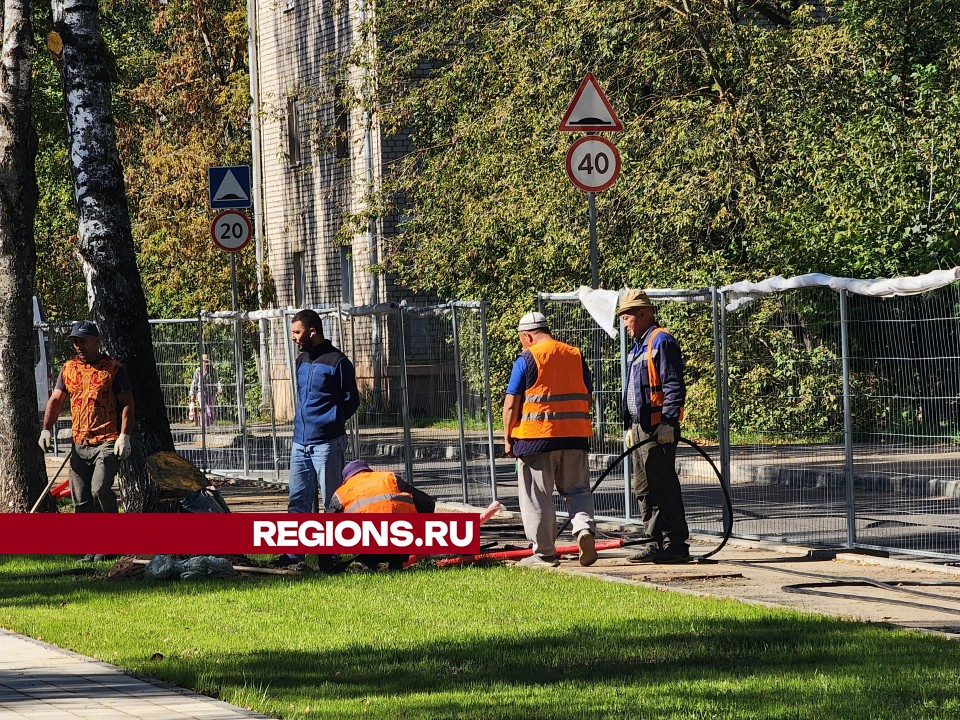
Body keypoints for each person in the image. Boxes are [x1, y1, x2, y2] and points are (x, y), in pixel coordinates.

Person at [502, 311, 598, 568]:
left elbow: (511, 404)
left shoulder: (527, 358)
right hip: (575, 437)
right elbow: (587, 394)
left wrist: (508, 438)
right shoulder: (575, 355)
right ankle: (583, 529)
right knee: (578, 490)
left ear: (527, 336)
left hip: (537, 440)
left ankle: (544, 553)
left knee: (538, 496)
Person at [38, 321, 135, 560]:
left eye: (82, 340)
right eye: (75, 341)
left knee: (99, 489)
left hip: (107, 441)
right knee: (80, 498)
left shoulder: (113, 368)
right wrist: (46, 429)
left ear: (97, 341)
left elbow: (127, 404)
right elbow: (57, 400)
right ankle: (90, 547)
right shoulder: (68, 368)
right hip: (79, 443)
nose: (78, 346)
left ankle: (112, 543)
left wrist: (125, 435)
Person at [272, 309, 359, 568]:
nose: (294, 338)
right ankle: (293, 555)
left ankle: (329, 555)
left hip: (327, 443)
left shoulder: (338, 361)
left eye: (297, 333)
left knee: (331, 499)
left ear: (312, 332)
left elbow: (351, 401)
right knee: (298, 498)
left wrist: (331, 421)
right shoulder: (302, 360)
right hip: (300, 442)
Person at [617, 289, 690, 564]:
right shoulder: (639, 345)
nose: (624, 323)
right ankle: (654, 542)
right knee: (643, 487)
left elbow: (673, 385)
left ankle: (677, 544)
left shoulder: (661, 341)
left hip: (657, 429)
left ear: (643, 314)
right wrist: (629, 425)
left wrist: (668, 422)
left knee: (663, 486)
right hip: (639, 428)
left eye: (627, 317)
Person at [328, 459, 436, 570]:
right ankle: (396, 564)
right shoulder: (390, 478)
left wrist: (327, 565)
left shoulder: (342, 491)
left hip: (366, 550)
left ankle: (369, 564)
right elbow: (427, 503)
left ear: (346, 479)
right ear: (369, 471)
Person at [188, 354, 223, 427]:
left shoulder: (213, 370)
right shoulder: (198, 370)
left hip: (211, 393)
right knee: (205, 409)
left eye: (207, 361)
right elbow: (194, 382)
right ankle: (203, 426)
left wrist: (220, 388)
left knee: (211, 411)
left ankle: (209, 425)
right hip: (201, 393)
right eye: (205, 361)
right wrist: (192, 394)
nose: (206, 363)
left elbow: (217, 381)